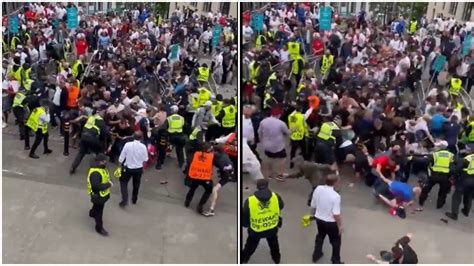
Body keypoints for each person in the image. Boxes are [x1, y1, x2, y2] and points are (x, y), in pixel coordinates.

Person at [241, 179, 284, 264]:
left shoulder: (250, 201)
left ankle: (243, 259)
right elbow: (281, 206)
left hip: (256, 230)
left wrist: (245, 224)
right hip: (272, 227)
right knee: (274, 245)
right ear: (267, 186)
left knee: (250, 247)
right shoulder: (275, 196)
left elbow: (245, 216)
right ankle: (277, 259)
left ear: (257, 188)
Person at [310, 174, 343, 264]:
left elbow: (313, 204)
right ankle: (335, 260)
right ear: (335, 183)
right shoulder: (336, 196)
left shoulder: (318, 189)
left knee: (320, 235)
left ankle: (316, 254)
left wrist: (312, 215)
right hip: (331, 222)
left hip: (319, 219)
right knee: (336, 241)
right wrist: (340, 226)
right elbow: (336, 213)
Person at [419, 143, 454, 209]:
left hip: (434, 175)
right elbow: (453, 165)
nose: (437, 147)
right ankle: (439, 205)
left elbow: (428, 162)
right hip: (445, 176)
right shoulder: (451, 155)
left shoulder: (436, 154)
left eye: (438, 146)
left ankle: (421, 201)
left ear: (441, 147)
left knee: (427, 188)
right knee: (443, 191)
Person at [118, 132, 148, 207]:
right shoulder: (143, 147)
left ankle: (125, 199)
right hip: (138, 169)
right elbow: (145, 159)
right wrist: (143, 168)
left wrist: (119, 166)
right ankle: (134, 199)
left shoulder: (128, 145)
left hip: (127, 168)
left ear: (133, 137)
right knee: (136, 184)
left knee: (123, 182)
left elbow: (122, 156)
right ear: (141, 138)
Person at [185, 143, 215, 215]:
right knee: (208, 190)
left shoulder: (196, 154)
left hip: (195, 176)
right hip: (205, 178)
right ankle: (200, 205)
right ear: (207, 149)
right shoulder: (211, 156)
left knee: (192, 189)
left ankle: (187, 202)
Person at [87, 153, 113, 237]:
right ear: (100, 162)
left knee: (96, 208)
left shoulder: (100, 168)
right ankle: (99, 228)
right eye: (104, 161)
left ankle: (92, 213)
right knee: (99, 212)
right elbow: (96, 186)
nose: (106, 162)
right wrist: (108, 184)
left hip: (100, 196)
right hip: (98, 196)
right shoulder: (95, 173)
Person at [445, 150, 474, 220]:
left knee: (457, 196)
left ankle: (454, 214)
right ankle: (466, 211)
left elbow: (455, 170)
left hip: (465, 180)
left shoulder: (468, 159)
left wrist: (452, 163)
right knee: (469, 195)